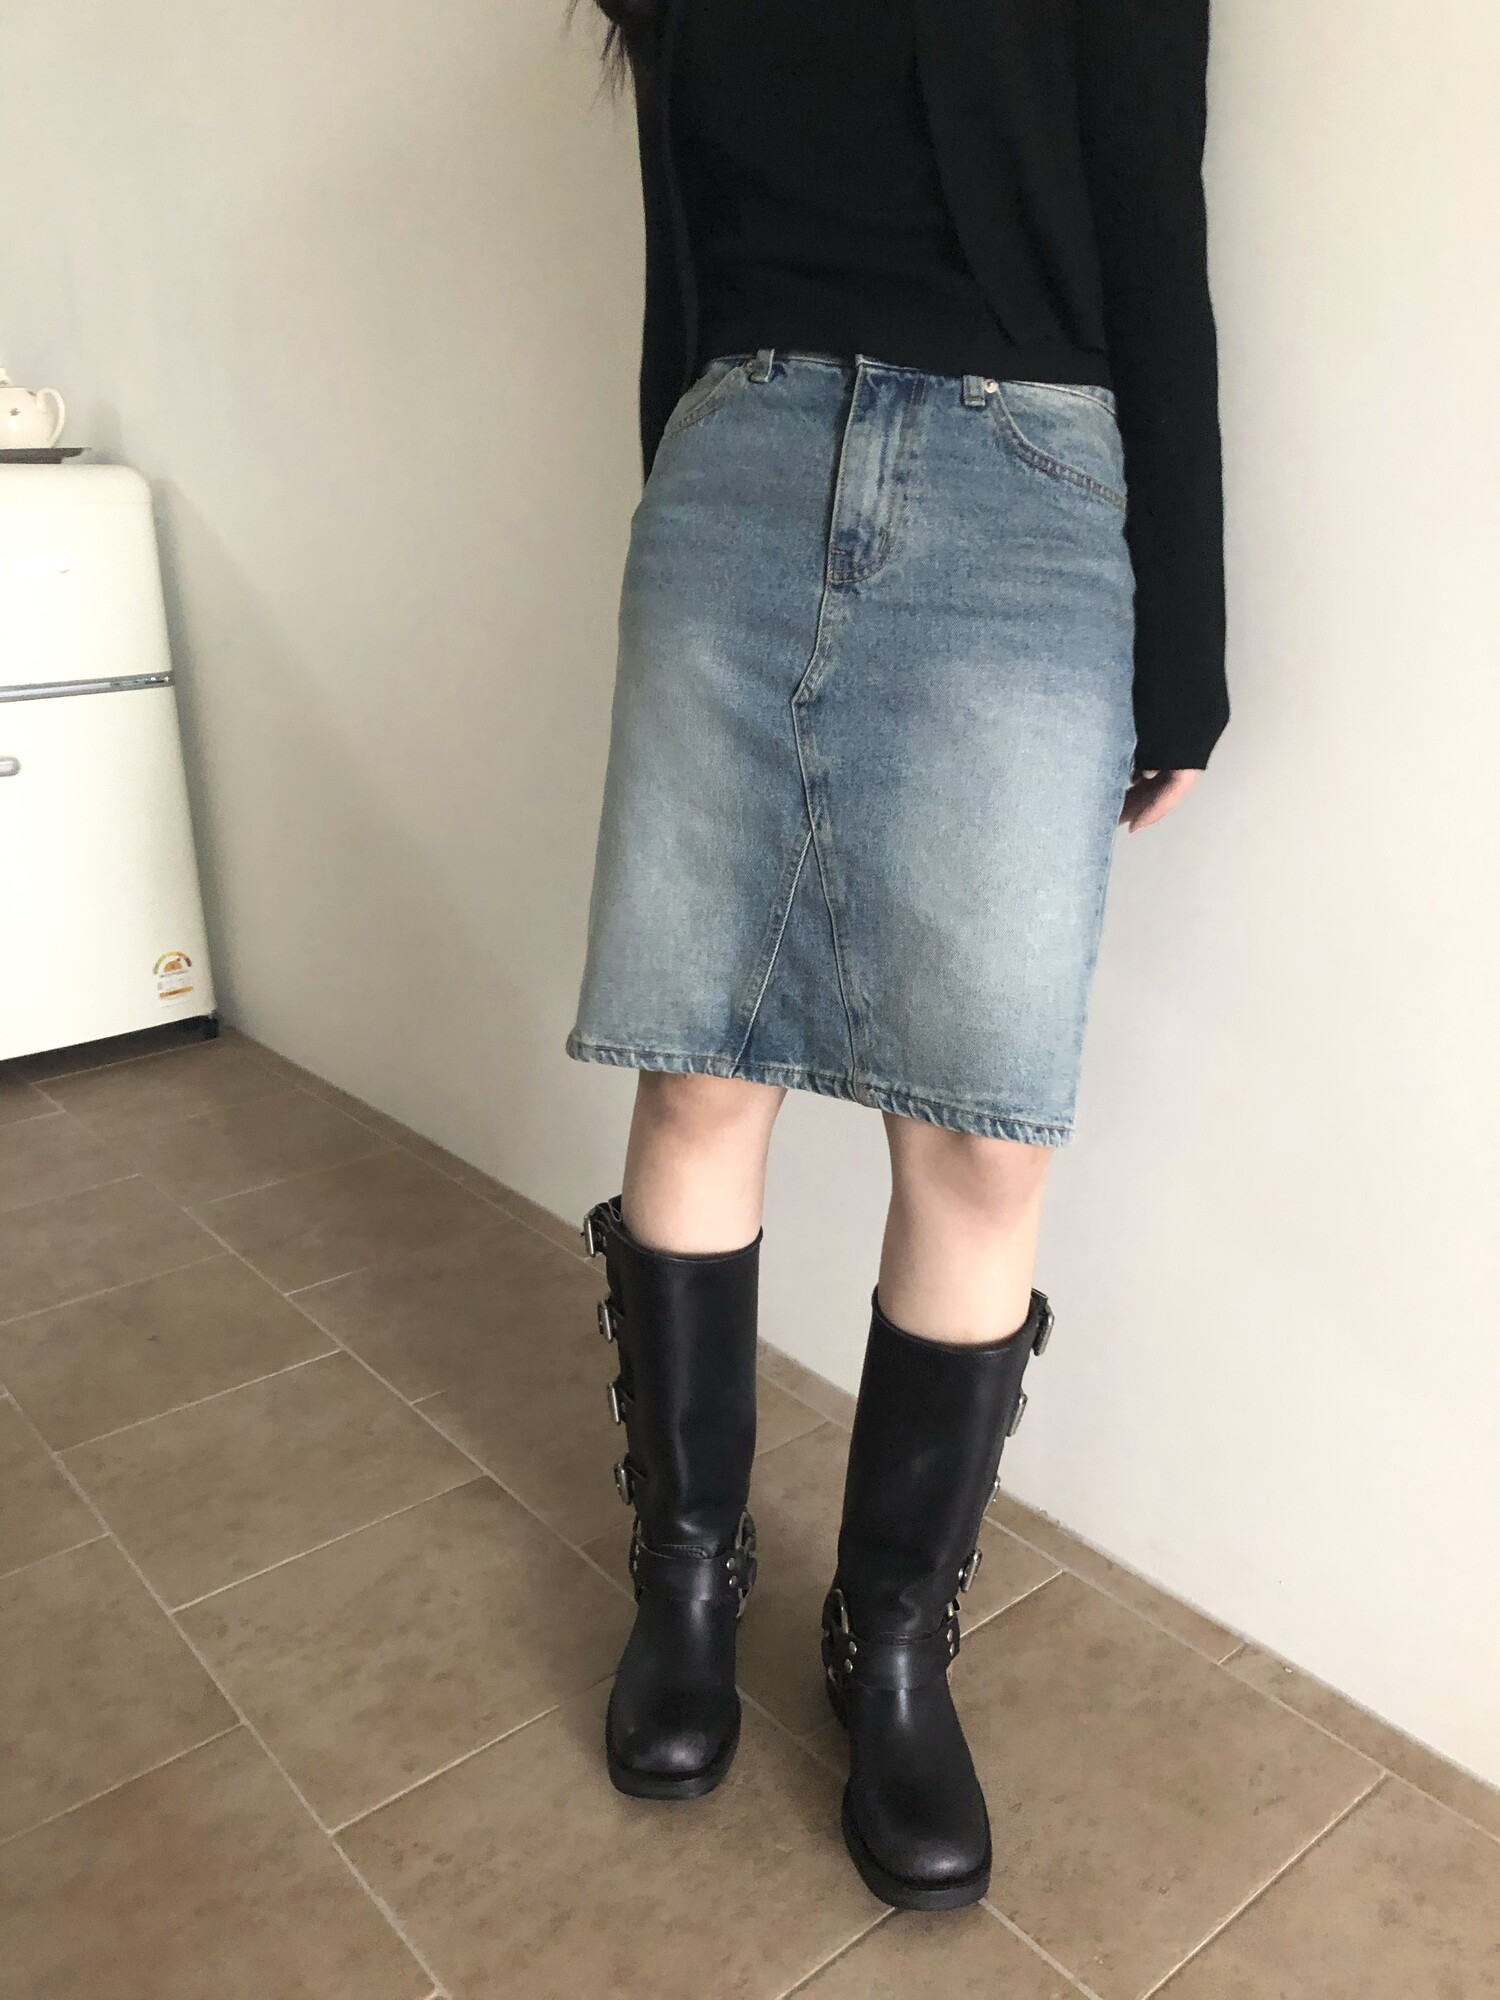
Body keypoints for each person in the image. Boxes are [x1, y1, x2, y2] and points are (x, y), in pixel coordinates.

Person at [565, 0, 1226, 1913]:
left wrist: (1184, 639)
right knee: (701, 1066)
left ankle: (895, 1644)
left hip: (1030, 499)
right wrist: (674, 500)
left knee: (983, 1132)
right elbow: (680, 253)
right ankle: (688, 1585)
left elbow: (1155, 238)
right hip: (739, 472)